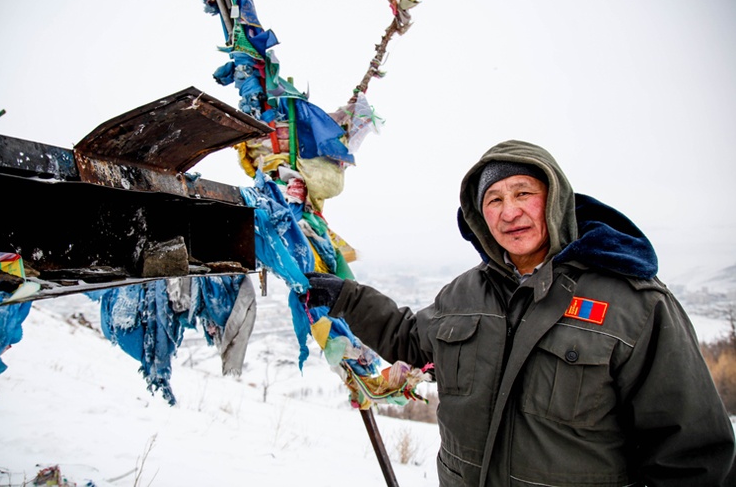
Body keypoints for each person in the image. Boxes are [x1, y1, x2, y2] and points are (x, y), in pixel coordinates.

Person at [303, 139, 735, 486]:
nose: (509, 212)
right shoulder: (464, 293)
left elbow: (691, 456)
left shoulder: (633, 303)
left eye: (523, 193)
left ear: (554, 200)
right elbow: (410, 338)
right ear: (479, 216)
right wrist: (348, 297)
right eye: (493, 200)